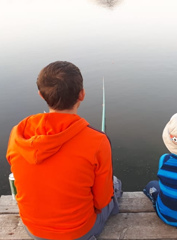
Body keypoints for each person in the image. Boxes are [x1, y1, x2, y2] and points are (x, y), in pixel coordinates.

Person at [6, 61, 122, 240]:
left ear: (41, 95)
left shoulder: (17, 134)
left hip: (33, 229)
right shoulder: (97, 141)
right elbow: (101, 200)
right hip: (78, 232)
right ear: (82, 95)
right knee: (115, 184)